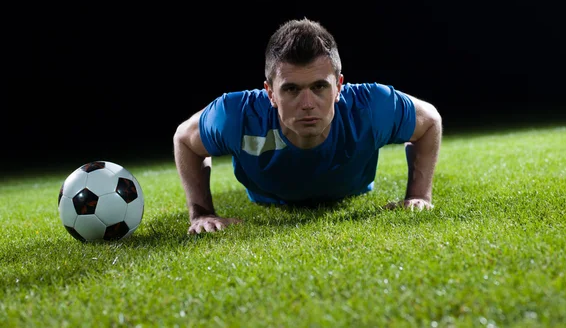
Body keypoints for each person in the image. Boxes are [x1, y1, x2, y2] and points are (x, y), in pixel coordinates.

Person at [173, 18, 442, 234]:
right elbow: (185, 139)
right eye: (291, 89)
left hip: (350, 190)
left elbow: (430, 121)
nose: (307, 103)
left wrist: (419, 195)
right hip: (266, 196)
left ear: (338, 86)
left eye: (319, 87)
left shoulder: (371, 108)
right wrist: (202, 214)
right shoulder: (236, 116)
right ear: (270, 93)